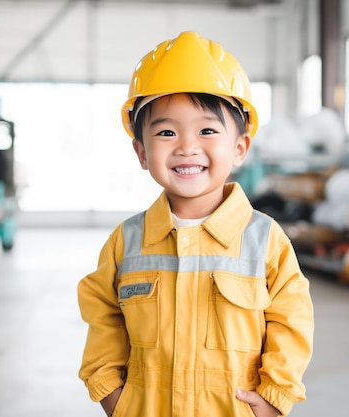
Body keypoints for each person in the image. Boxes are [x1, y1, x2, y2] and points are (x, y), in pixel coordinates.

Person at [77, 31, 314, 417]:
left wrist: (276, 395)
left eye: (207, 130)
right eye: (166, 132)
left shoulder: (264, 239)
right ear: (141, 151)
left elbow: (292, 320)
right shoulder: (127, 241)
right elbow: (102, 314)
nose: (187, 146)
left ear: (239, 147)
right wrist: (110, 392)